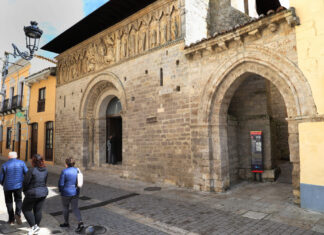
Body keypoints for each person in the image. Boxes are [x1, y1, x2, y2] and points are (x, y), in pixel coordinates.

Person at [22, 154, 48, 235]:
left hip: (33, 193)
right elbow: (45, 181)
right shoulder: (45, 170)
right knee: (38, 210)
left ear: (33, 161)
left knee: (25, 209)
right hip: (43, 192)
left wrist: (25, 191)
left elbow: (25, 183)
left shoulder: (31, 170)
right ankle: (36, 226)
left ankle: (34, 227)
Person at [0, 152, 28, 225]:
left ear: (8, 157)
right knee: (18, 200)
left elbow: (1, 178)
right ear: (16, 156)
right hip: (18, 186)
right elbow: (27, 173)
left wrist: (3, 184)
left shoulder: (4, 165)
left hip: (7, 186)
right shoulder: (22, 163)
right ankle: (18, 214)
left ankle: (11, 219)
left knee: (9, 202)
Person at [58, 157, 84, 233]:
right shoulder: (77, 170)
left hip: (66, 193)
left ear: (66, 164)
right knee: (75, 208)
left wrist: (60, 190)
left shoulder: (64, 171)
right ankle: (80, 222)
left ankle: (66, 223)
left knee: (65, 207)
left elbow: (61, 183)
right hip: (75, 192)